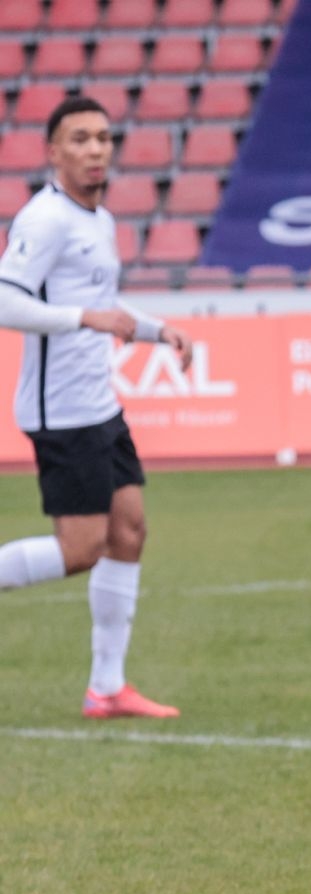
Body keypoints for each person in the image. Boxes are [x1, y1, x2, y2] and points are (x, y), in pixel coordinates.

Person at [0, 96, 192, 719]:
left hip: (99, 405)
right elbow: (6, 302)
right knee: (81, 549)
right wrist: (84, 318)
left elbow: (105, 304)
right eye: (79, 139)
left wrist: (158, 330)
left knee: (128, 532)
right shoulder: (45, 220)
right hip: (61, 413)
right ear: (53, 152)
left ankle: (106, 689)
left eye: (103, 138)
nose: (95, 150)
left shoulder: (100, 220)